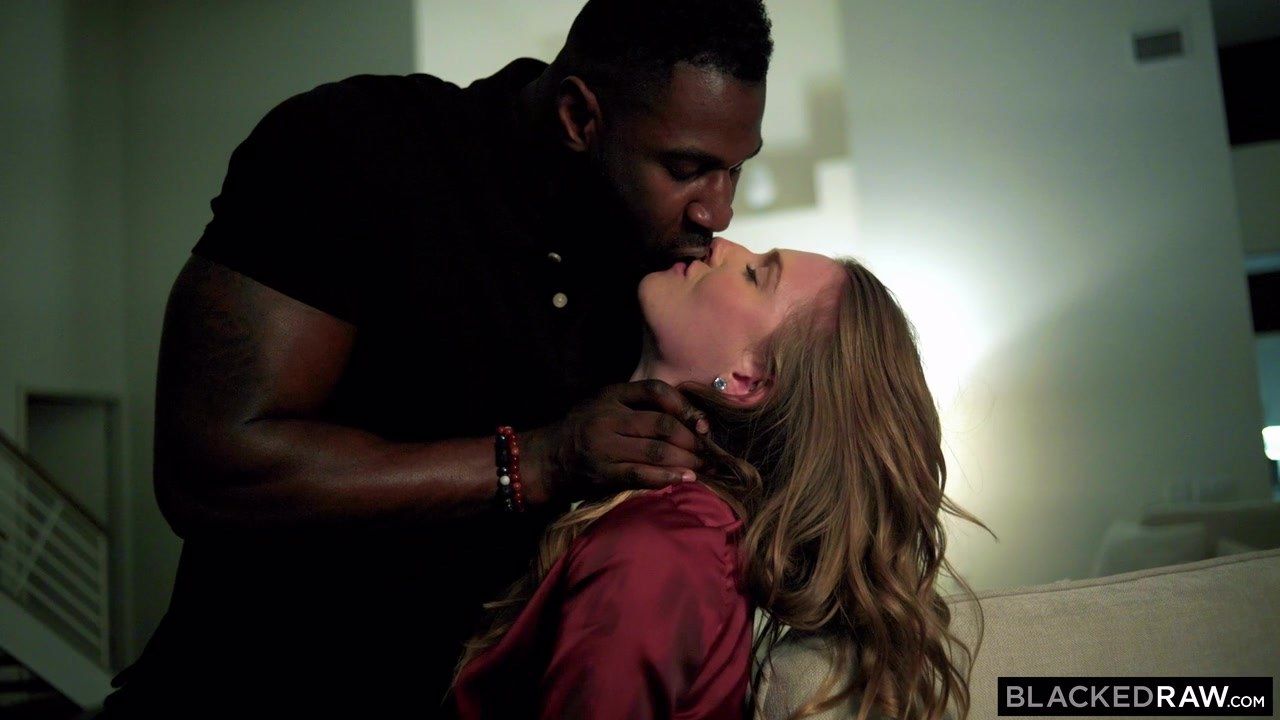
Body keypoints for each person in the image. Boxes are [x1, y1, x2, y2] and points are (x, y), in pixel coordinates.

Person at [99, 1, 774, 716]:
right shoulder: (358, 147)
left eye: (734, 170)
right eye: (686, 168)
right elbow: (207, 470)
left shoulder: (658, 266)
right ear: (580, 117)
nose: (718, 212)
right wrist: (535, 462)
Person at [448, 237, 991, 720]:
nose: (720, 244)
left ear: (748, 380)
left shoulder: (663, 549)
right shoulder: (684, 530)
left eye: (755, 274)